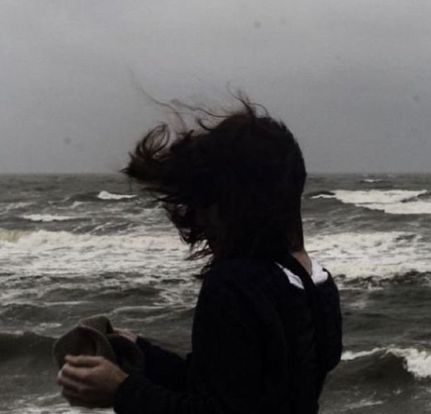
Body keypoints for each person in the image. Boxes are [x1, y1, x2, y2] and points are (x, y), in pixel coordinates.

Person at [57, 94, 343, 413]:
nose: (199, 217)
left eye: (206, 200)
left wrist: (120, 390)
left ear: (235, 202)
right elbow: (229, 387)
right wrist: (143, 352)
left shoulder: (234, 285)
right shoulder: (318, 284)